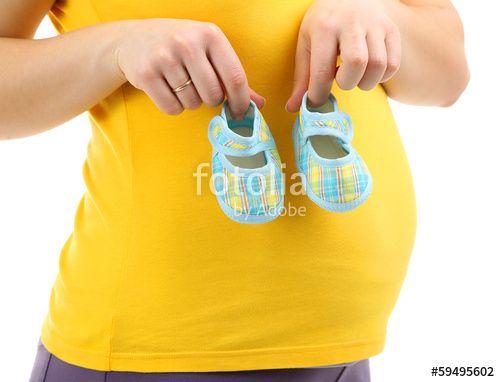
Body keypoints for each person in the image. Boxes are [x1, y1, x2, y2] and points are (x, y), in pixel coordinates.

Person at [0, 0, 468, 381]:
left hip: (344, 349)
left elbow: (451, 75)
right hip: (151, 357)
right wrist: (114, 48)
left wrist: (380, 18)